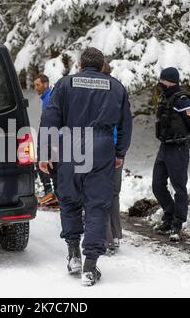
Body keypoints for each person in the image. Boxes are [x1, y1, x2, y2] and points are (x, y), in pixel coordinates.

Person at [38, 48, 132, 286]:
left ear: (80, 65)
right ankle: (90, 265)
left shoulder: (65, 84)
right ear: (101, 66)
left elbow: (50, 118)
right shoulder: (116, 87)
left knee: (69, 201)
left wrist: (45, 152)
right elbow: (125, 124)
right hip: (101, 149)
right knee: (97, 205)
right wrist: (119, 152)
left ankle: (73, 255)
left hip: (70, 145)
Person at [152, 67, 190, 241]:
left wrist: (188, 142)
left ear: (169, 81)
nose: (160, 83)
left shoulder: (183, 100)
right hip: (164, 147)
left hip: (178, 148)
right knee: (157, 184)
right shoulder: (164, 97)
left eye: (162, 80)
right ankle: (169, 214)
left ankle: (177, 224)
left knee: (179, 188)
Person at [101, 61, 123, 255]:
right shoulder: (118, 89)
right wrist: (121, 152)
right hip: (116, 151)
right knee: (113, 194)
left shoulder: (100, 92)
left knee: (101, 194)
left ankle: (107, 239)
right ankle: (115, 236)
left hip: (103, 150)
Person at [33, 74, 58, 206]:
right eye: (34, 85)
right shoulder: (46, 97)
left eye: (38, 85)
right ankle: (53, 192)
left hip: (50, 136)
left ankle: (51, 192)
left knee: (43, 162)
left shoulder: (49, 98)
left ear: (46, 84)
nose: (35, 88)